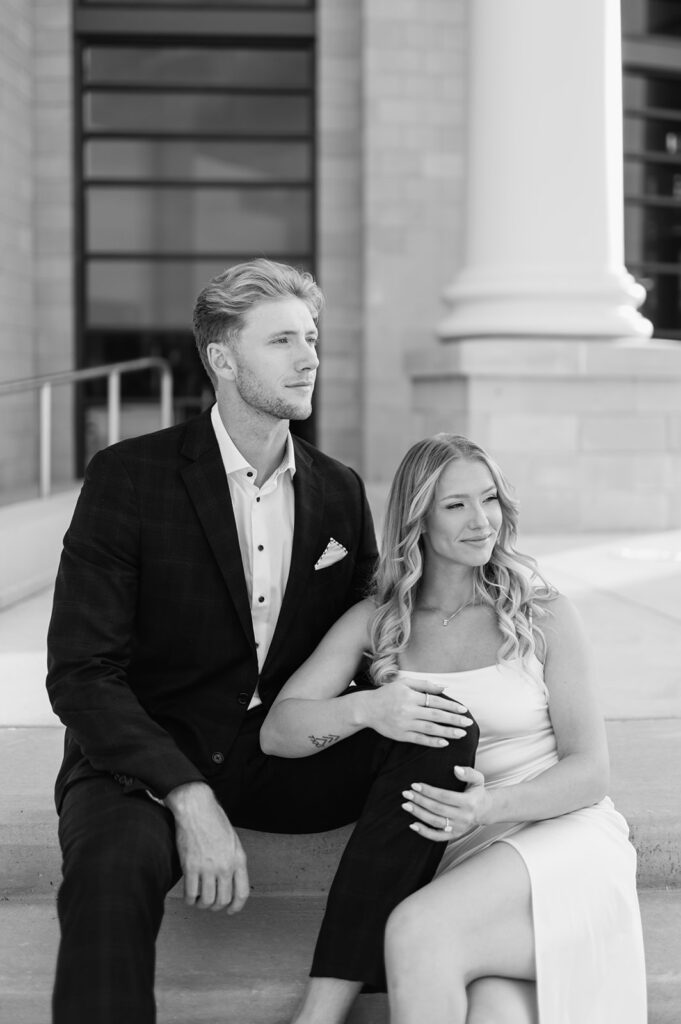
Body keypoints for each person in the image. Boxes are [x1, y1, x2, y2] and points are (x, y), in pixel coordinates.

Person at [45, 260, 478, 1024]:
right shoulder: (128, 478)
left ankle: (328, 1002)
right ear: (222, 358)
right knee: (108, 871)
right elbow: (81, 672)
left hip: (279, 750)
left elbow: (370, 636)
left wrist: (382, 698)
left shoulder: (337, 488)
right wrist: (186, 794)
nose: (309, 357)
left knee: (440, 730)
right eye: (281, 341)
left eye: (310, 338)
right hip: (149, 752)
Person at [261, 433, 647, 1024]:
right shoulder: (378, 623)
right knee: (494, 1013)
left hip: (563, 838)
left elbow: (590, 771)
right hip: (461, 859)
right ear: (418, 519)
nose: (481, 520)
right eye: (456, 505)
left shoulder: (542, 614)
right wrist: (368, 709)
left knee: (416, 931)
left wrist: (487, 807)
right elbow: (278, 731)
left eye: (489, 499)